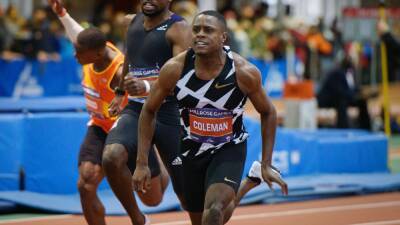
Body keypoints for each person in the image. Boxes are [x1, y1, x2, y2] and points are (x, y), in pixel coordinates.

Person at [133, 10, 288, 225]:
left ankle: (250, 178)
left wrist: (267, 163)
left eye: (208, 30)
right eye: (196, 30)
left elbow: (268, 112)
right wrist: (142, 163)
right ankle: (248, 184)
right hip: (190, 148)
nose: (200, 34)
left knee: (214, 211)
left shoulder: (243, 72)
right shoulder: (175, 69)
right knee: (201, 219)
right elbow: (148, 110)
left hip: (228, 148)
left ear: (223, 37)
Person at [48, 1, 169, 225]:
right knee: (86, 182)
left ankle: (160, 165)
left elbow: (148, 92)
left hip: (126, 130)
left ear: (95, 54)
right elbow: (77, 34)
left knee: (153, 199)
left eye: (78, 52)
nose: (74, 56)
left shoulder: (119, 70)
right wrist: (62, 13)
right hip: (99, 125)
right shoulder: (90, 49)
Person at [101, 0, 191, 224]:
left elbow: (183, 76)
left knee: (188, 198)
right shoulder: (130, 22)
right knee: (111, 157)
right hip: (136, 109)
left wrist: (148, 85)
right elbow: (129, 56)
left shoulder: (179, 29)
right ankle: (138, 220)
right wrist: (121, 91)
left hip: (170, 112)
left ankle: (164, 170)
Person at [317, 55, 372, 130]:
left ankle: (365, 127)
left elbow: (350, 88)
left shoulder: (347, 74)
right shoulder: (337, 73)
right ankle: (343, 128)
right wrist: (353, 96)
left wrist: (360, 93)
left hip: (340, 97)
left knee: (361, 101)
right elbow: (340, 91)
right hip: (327, 100)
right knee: (342, 102)